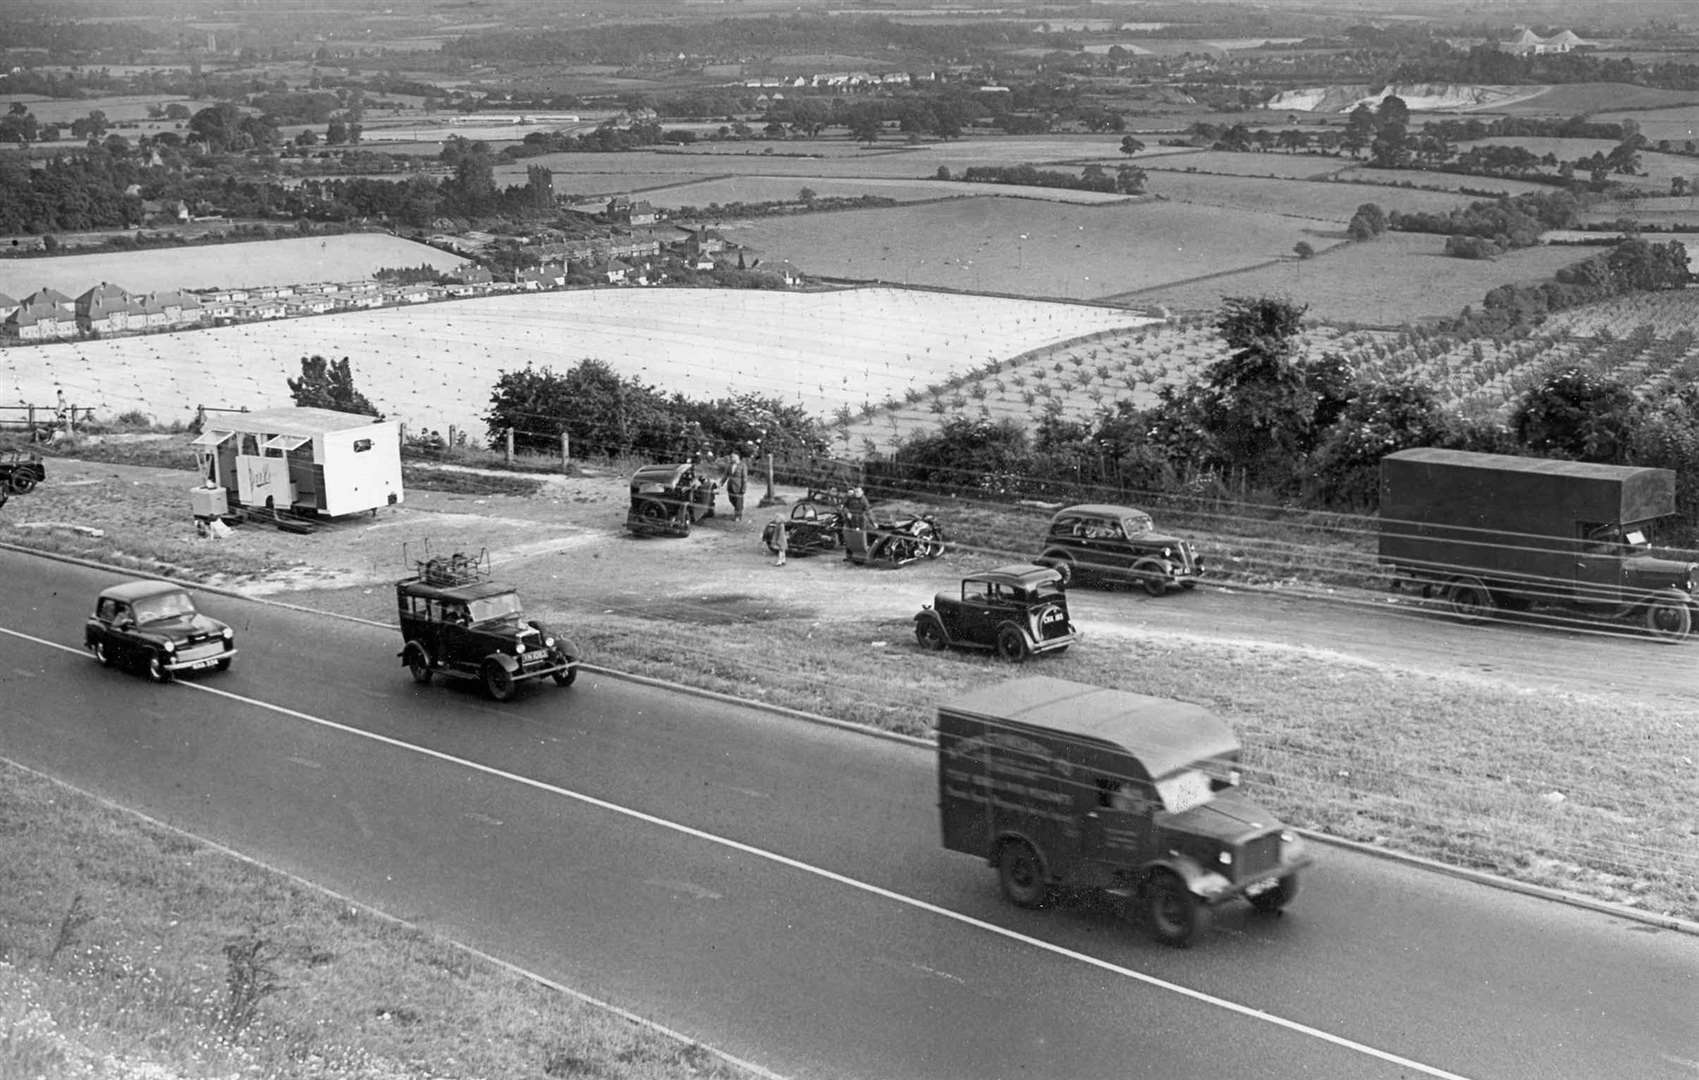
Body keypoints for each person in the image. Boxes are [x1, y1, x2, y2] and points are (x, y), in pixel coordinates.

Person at [722, 452, 747, 521]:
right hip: (730, 486)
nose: (731, 458)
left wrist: (744, 488)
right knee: (731, 500)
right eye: (731, 457)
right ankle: (739, 509)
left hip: (739, 486)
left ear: (737, 457)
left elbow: (745, 478)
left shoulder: (743, 465)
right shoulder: (729, 465)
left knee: (738, 501)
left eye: (733, 457)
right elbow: (725, 475)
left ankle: (738, 516)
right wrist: (721, 483)